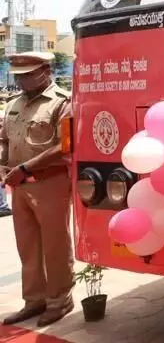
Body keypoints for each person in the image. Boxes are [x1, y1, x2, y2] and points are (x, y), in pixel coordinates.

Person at [1, 52, 74, 327]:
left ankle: (59, 300)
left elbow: (64, 145)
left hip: (50, 184)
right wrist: (2, 164)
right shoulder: (14, 104)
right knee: (28, 247)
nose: (21, 80)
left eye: (28, 74)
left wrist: (26, 167)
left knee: (55, 246)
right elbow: (4, 138)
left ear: (46, 70)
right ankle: (34, 300)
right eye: (19, 75)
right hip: (19, 185)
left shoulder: (61, 103)